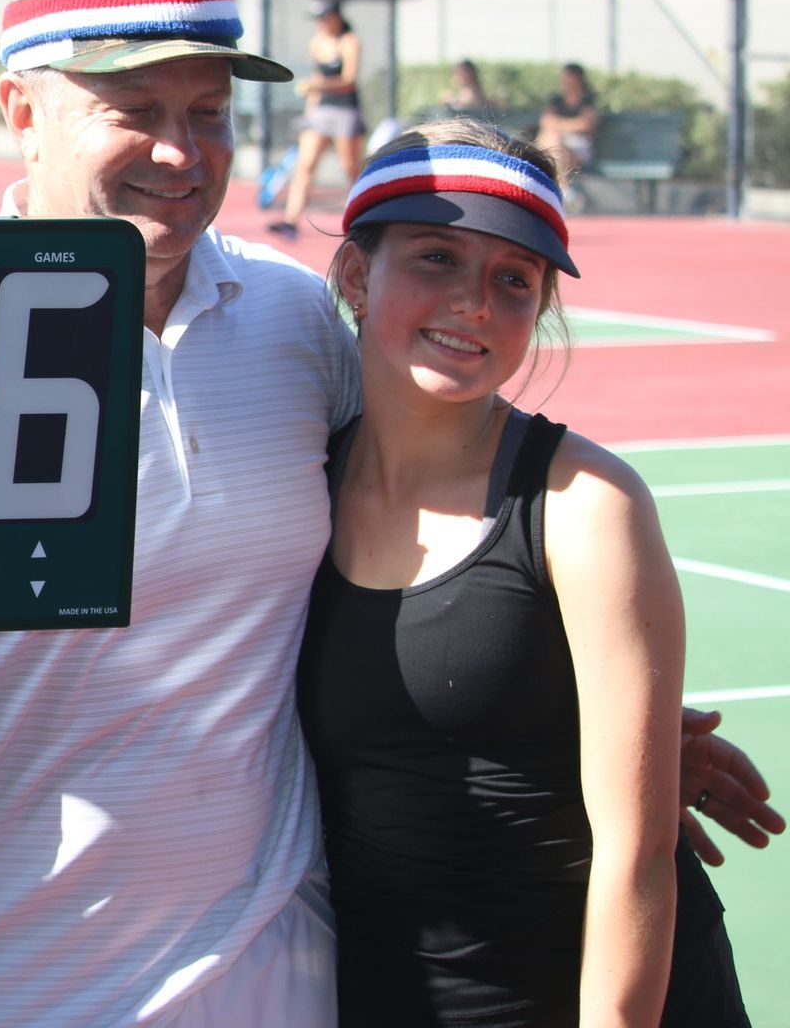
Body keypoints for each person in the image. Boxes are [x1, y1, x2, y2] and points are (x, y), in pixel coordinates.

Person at [0, 0, 782, 1028]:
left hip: (280, 977)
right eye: (135, 110)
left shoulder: (294, 320)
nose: (181, 151)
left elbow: (427, 518)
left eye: (208, 112)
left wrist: (601, 720)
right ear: (23, 112)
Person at [299, 120, 751, 1027]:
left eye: (513, 280)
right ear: (354, 274)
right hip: (386, 994)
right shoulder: (294, 487)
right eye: (436, 256)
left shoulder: (588, 505)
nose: (473, 301)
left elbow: (638, 854)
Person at [270, 0, 365, 239]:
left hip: (345, 111)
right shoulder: (317, 42)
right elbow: (314, 82)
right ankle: (291, 222)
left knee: (350, 168)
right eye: (317, 19)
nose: (320, 23)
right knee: (305, 166)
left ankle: (362, 220)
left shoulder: (349, 42)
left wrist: (317, 85)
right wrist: (309, 115)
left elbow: (349, 80)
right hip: (321, 112)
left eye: (324, 17)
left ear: (336, 17)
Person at [538, 61, 602, 172]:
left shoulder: (587, 101)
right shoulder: (557, 100)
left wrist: (558, 124)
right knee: (552, 139)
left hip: (579, 148)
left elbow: (586, 125)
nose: (566, 81)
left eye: (569, 76)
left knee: (553, 143)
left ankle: (560, 185)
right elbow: (546, 121)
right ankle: (563, 186)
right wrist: (571, 124)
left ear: (578, 78)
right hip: (558, 145)